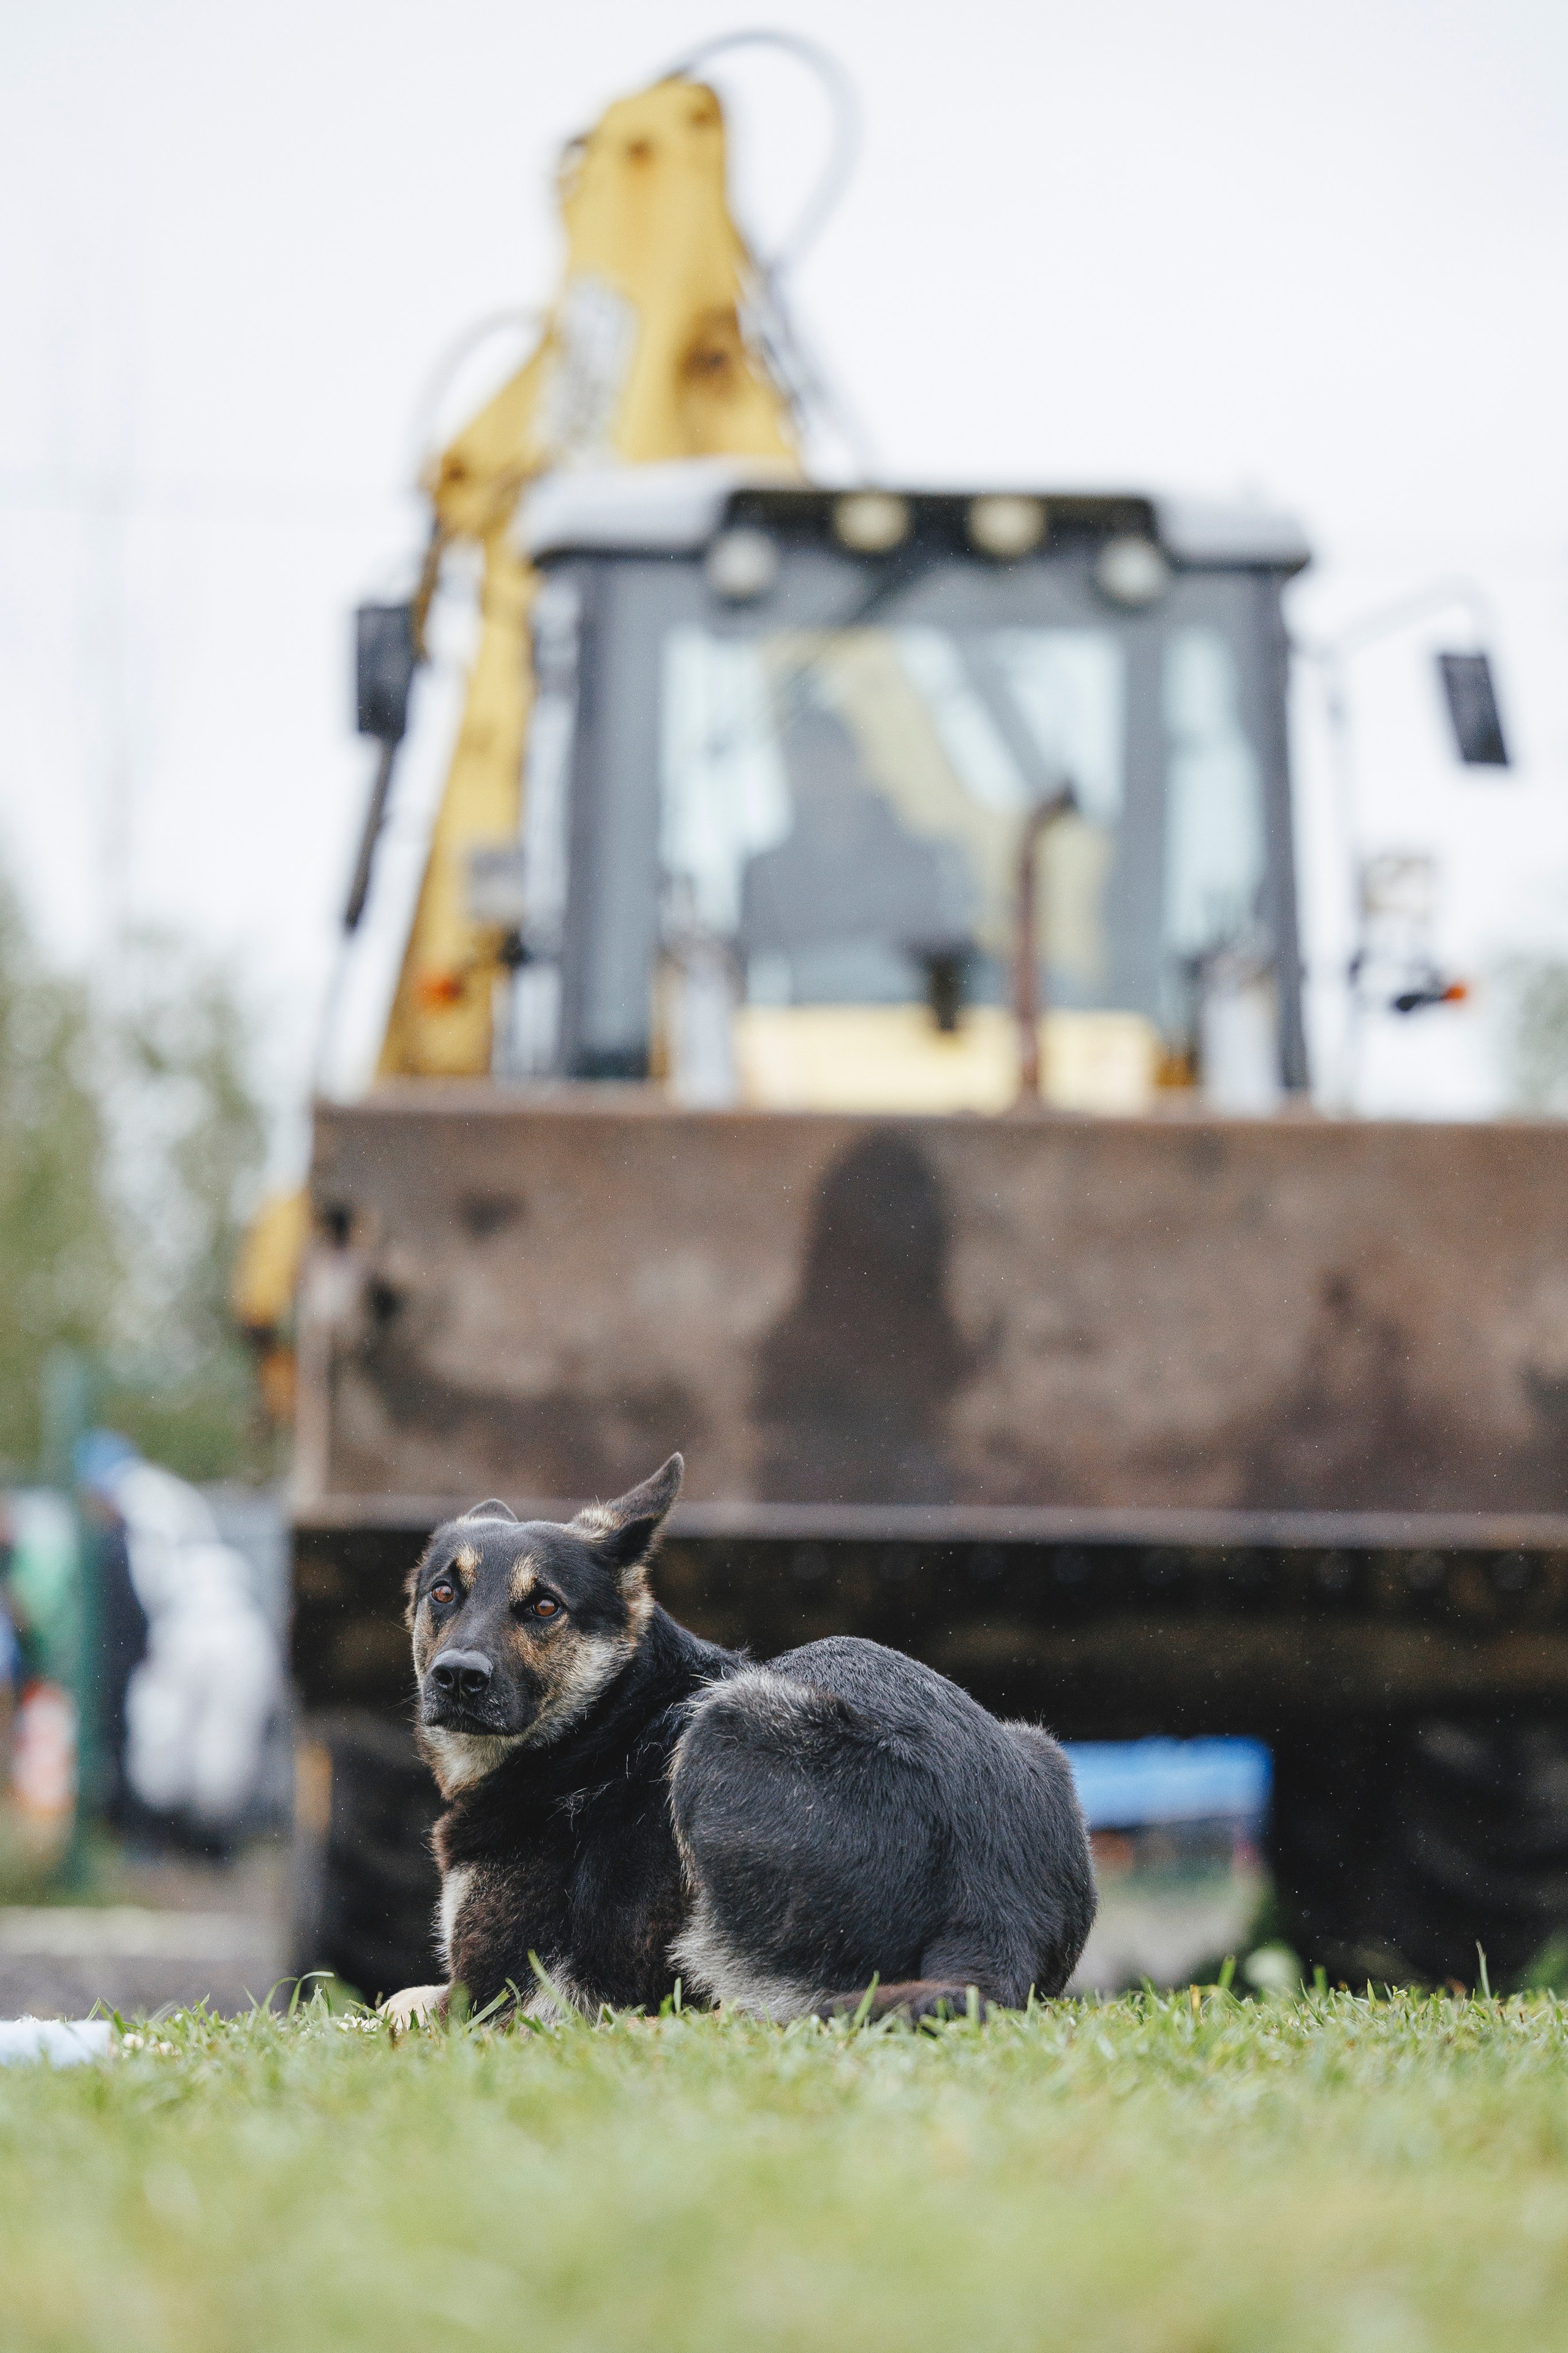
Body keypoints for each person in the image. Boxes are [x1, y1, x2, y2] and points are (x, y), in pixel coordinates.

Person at [74, 1432, 282, 1853]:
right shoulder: (168, 1492)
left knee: (165, 1744)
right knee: (218, 1753)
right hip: (240, 1622)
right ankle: (204, 1851)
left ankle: (166, 1847)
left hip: (189, 1625)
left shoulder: (133, 1501)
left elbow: (138, 1592)